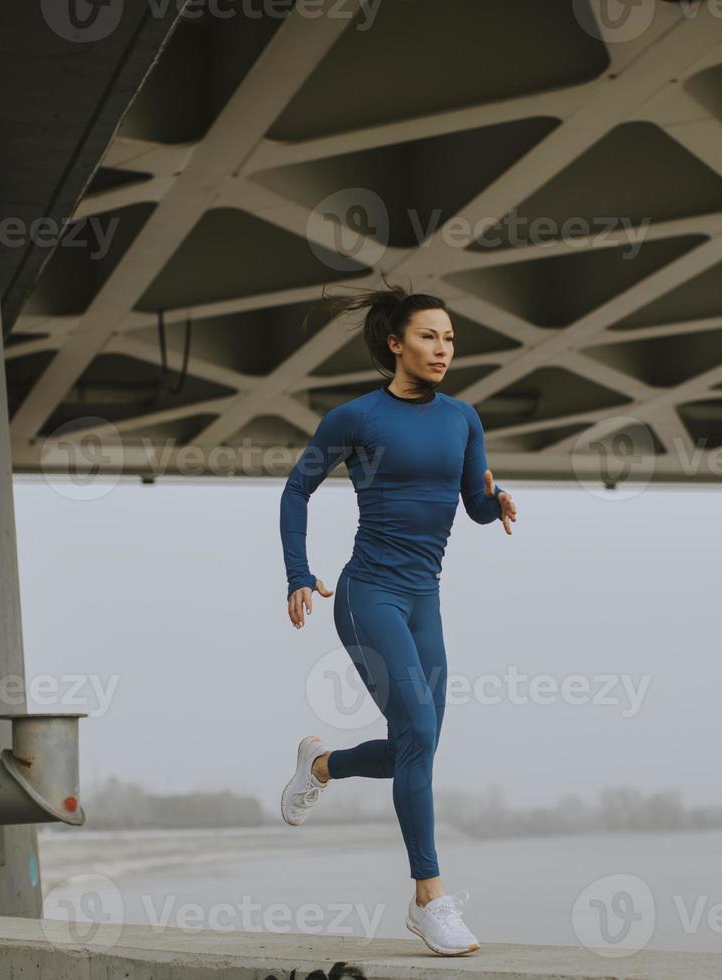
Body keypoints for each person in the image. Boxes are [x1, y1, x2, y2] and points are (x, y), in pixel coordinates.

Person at [277, 277, 518, 956]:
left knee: (421, 740)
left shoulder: (463, 418)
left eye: (448, 339)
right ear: (395, 344)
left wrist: (494, 504)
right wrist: (298, 573)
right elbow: (297, 490)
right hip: (368, 595)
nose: (442, 349)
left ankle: (322, 766)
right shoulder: (356, 419)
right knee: (416, 727)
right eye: (428, 336)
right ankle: (430, 898)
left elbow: (469, 500)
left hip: (424, 597)